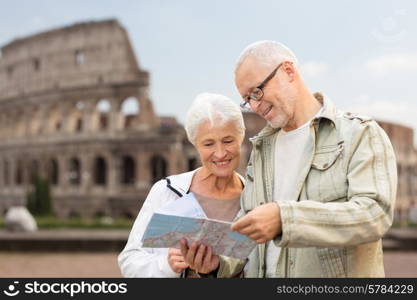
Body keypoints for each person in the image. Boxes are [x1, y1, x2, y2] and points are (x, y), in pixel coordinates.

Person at [183, 40, 397, 277]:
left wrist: (285, 219)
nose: (254, 106)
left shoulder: (359, 133)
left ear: (288, 71)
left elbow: (374, 214)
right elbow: (248, 234)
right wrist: (216, 264)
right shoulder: (261, 149)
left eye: (257, 92)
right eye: (247, 99)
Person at [118, 92, 246, 277]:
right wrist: (167, 265)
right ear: (196, 145)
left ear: (240, 138)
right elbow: (129, 261)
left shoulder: (254, 198)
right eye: (208, 144)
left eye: (228, 141)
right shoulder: (166, 191)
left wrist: (220, 267)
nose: (220, 153)